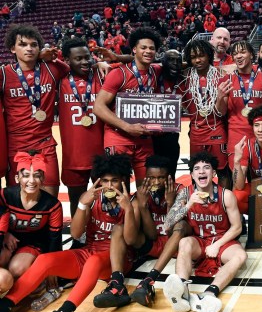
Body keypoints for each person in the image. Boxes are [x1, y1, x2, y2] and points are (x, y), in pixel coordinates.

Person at [0, 154, 133, 312]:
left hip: (115, 260)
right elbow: (76, 234)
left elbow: (131, 239)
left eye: (115, 181)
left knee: (94, 261)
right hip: (89, 251)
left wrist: (129, 210)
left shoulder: (131, 201)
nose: (109, 186)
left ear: (124, 181)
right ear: (98, 181)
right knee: (45, 260)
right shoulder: (93, 199)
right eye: (104, 181)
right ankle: (3, 308)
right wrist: (82, 204)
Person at [93, 156, 185, 308]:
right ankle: (117, 283)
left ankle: (148, 281)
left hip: (174, 243)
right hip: (152, 243)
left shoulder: (180, 191)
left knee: (180, 226)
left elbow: (169, 231)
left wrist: (170, 203)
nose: (156, 182)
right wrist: (142, 207)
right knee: (118, 228)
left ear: (169, 177)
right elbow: (152, 235)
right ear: (145, 177)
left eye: (161, 177)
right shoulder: (141, 194)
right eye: (151, 178)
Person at [162, 151, 246, 312]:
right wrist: (188, 205)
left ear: (213, 173)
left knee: (240, 256)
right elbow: (167, 223)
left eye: (206, 168)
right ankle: (183, 293)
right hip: (199, 241)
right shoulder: (186, 194)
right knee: (184, 243)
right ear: (192, 174)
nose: (201, 171)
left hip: (221, 241)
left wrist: (217, 244)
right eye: (197, 168)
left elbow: (237, 227)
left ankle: (209, 293)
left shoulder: (226, 195)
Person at [0, 25, 72, 196]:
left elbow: (71, 68)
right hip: (16, 146)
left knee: (50, 196)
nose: (29, 49)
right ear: (12, 48)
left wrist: (101, 63)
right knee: (19, 199)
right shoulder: (3, 74)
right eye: (23, 45)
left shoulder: (52, 69)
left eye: (34, 45)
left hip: (45, 144)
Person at [94, 27, 164, 185]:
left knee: (145, 189)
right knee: (118, 188)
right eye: (143, 48)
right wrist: (127, 127)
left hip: (144, 139)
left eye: (152, 48)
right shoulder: (118, 74)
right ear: (134, 49)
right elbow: (98, 107)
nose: (148, 51)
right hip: (119, 137)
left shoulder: (156, 71)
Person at [0, 152, 62, 294]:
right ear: (17, 178)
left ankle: (34, 277)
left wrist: (51, 267)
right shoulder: (5, 195)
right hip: (8, 240)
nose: (31, 181)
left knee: (16, 269)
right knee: (2, 259)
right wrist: (6, 233)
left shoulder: (52, 205)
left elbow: (55, 239)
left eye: (37, 176)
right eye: (26, 175)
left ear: (43, 179)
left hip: (33, 244)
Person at [58, 38, 105, 217]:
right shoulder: (59, 80)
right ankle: (79, 238)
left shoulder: (101, 76)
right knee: (76, 201)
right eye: (78, 58)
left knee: (104, 202)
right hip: (74, 156)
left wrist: (101, 62)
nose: (85, 61)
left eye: (87, 57)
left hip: (100, 155)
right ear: (67, 61)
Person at [217, 41, 262, 169]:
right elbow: (221, 112)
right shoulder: (227, 80)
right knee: (238, 180)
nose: (238, 56)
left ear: (251, 55)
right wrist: (220, 97)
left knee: (259, 180)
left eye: (242, 52)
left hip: (259, 134)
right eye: (235, 54)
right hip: (236, 134)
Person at [179, 38, 231, 188]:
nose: (197, 60)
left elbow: (222, 112)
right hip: (196, 132)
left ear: (209, 55)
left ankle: (222, 204)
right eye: (193, 57)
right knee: (197, 171)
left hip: (217, 129)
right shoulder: (185, 77)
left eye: (201, 55)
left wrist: (220, 97)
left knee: (222, 171)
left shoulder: (221, 76)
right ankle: (199, 204)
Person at [152, 49, 183, 176]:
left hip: (171, 136)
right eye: (171, 60)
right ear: (162, 62)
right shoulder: (153, 73)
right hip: (150, 136)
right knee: (152, 176)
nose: (175, 63)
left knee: (170, 175)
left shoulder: (182, 78)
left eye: (178, 61)